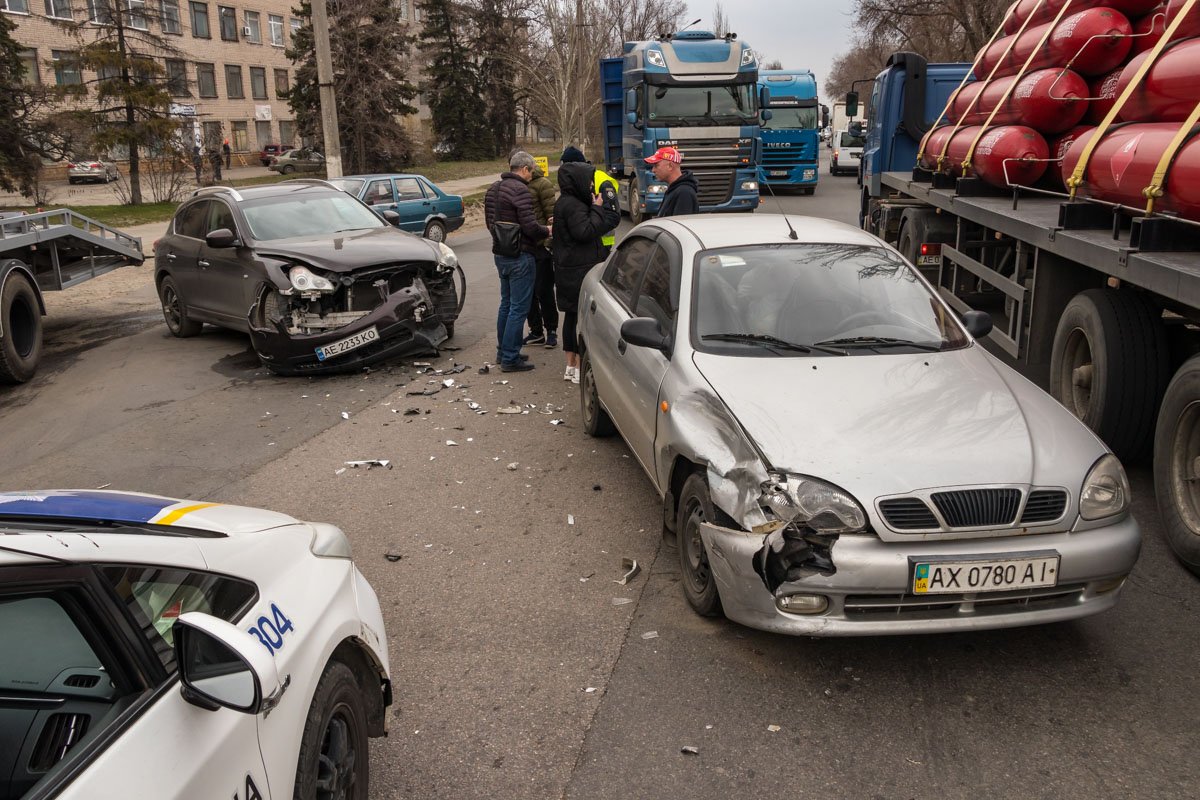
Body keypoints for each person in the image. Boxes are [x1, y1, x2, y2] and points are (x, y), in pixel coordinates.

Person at [553, 159, 620, 383]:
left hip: (568, 267)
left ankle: (570, 365)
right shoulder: (573, 205)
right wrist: (598, 209)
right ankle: (578, 367)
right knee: (581, 319)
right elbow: (585, 231)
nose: (592, 185)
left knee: (571, 317)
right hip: (578, 270)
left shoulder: (565, 202)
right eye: (589, 181)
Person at [484, 151, 550, 373]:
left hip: (500, 253)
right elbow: (530, 227)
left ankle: (503, 351)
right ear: (524, 169)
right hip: (521, 254)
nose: (532, 175)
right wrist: (547, 230)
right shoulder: (520, 189)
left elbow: (489, 223)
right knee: (518, 308)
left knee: (506, 304)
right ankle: (510, 359)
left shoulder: (493, 188)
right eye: (531, 171)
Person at [523, 160, 559, 350]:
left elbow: (552, 217)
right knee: (528, 293)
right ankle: (536, 331)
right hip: (526, 247)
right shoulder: (520, 185)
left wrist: (547, 245)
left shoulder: (543, 184)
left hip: (541, 247)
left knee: (544, 291)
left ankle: (551, 330)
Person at [560, 145, 618, 254]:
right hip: (582, 243)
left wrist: (590, 230)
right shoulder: (572, 181)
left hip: (601, 242)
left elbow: (613, 216)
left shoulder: (601, 180)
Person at [645, 146, 698, 217]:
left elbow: (679, 226)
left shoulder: (684, 193)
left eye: (656, 165)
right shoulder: (674, 189)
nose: (653, 170)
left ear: (670, 166)